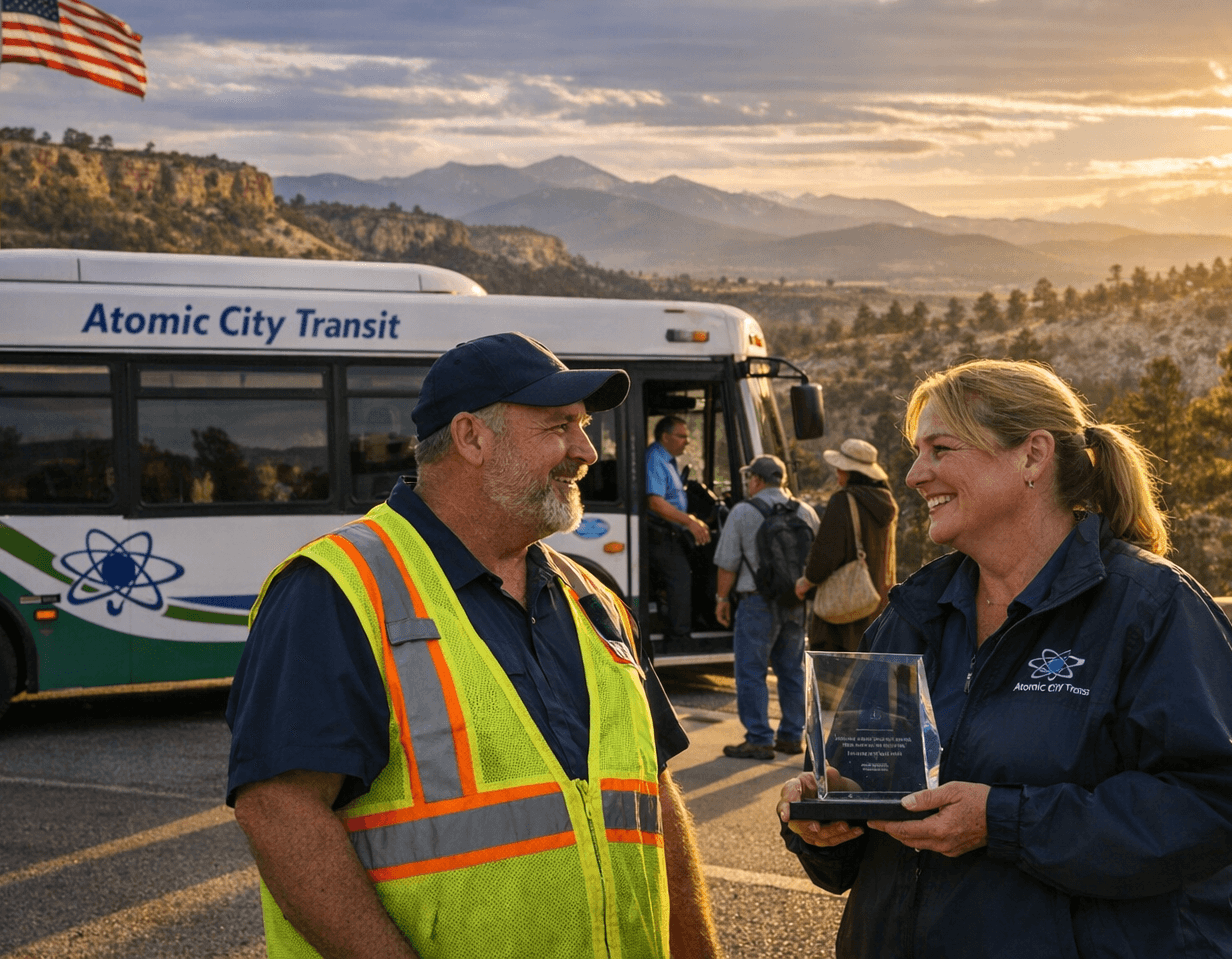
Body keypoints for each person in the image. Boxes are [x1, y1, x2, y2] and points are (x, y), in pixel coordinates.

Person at [227, 332, 722, 959]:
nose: (587, 450)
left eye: (584, 425)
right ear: (471, 438)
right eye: (559, 426)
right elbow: (280, 812)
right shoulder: (335, 590)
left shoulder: (591, 597)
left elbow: (651, 796)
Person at [778, 358, 1232, 958]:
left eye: (940, 448)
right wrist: (824, 828)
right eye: (917, 451)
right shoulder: (910, 615)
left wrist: (1004, 821)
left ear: (1033, 456)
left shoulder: (1152, 609)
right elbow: (862, 842)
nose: (914, 475)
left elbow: (1223, 808)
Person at [713, 454, 819, 760]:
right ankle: (791, 736)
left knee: (751, 670)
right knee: (792, 671)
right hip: (796, 603)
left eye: (750, 479)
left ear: (756, 480)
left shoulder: (743, 512)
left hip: (756, 601)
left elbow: (727, 563)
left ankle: (759, 738)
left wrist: (722, 599)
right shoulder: (806, 512)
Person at [794, 438, 897, 652]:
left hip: (842, 611)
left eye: (840, 468)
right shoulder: (887, 503)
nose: (837, 472)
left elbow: (825, 555)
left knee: (834, 676)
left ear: (851, 472)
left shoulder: (843, 501)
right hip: (875, 605)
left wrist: (807, 582)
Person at [645, 415, 711, 652]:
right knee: (680, 578)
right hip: (659, 532)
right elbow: (656, 503)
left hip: (669, 530)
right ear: (665, 436)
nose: (687, 441)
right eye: (682, 436)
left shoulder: (667, 460)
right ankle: (679, 638)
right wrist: (691, 522)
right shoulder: (655, 459)